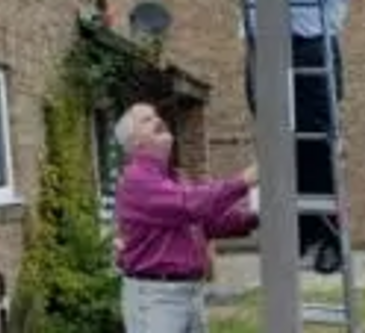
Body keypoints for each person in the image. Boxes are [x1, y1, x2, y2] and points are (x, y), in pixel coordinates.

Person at [113, 102, 259, 333]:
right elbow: (190, 204)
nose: (158, 120)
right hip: (156, 297)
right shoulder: (136, 180)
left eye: (156, 115)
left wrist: (257, 216)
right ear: (134, 142)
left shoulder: (175, 178)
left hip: (189, 292)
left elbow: (210, 223)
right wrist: (244, 181)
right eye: (146, 120)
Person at [242, 0, 350, 273]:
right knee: (275, 142)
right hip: (263, 43)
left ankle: (327, 236)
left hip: (311, 41)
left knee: (316, 143)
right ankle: (295, 232)